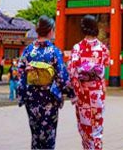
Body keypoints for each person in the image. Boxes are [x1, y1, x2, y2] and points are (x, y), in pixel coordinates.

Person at [17, 16, 74, 150]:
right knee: (48, 135)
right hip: (49, 98)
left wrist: (22, 93)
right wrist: (71, 93)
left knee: (35, 134)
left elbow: (20, 71)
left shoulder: (28, 50)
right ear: (50, 31)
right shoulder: (54, 51)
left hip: (31, 97)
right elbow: (62, 76)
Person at [68, 15, 110, 150]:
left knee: (84, 126)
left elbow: (72, 71)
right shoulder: (102, 48)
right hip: (97, 91)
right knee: (97, 126)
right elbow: (105, 67)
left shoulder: (77, 47)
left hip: (82, 91)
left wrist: (75, 92)